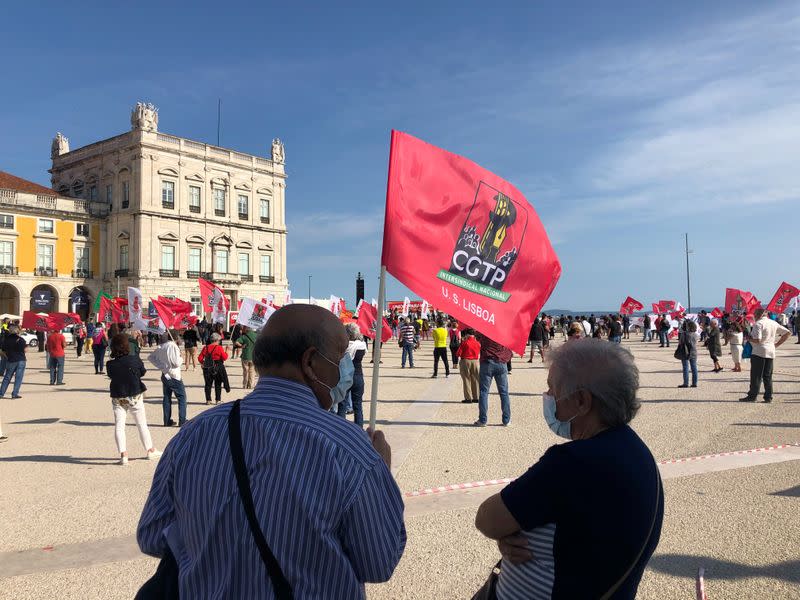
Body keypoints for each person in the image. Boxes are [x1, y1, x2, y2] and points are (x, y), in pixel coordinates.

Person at [137, 304, 406, 597]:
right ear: (310, 362)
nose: (346, 370)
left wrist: (214, 533)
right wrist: (382, 473)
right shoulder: (349, 448)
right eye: (341, 359)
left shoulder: (194, 433)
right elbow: (379, 563)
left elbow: (152, 535)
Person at [474, 339, 663, 599]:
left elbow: (487, 519)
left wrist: (507, 533)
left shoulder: (571, 463)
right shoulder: (638, 451)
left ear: (582, 401)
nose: (548, 398)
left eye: (553, 389)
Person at [106, 334, 162, 465]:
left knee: (119, 425)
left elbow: (110, 375)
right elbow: (142, 372)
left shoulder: (110, 364)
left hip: (118, 395)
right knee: (141, 423)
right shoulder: (134, 360)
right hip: (134, 394)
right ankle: (150, 450)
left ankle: (123, 455)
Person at [739, 308, 791, 403]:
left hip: (759, 351)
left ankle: (752, 396)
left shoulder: (758, 324)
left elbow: (758, 340)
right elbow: (787, 333)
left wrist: (749, 339)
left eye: (754, 314)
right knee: (767, 376)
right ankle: (768, 397)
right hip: (770, 350)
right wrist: (776, 344)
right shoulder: (773, 322)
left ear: (758, 315)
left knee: (756, 375)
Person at [473, 333, 512, 427]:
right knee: (504, 393)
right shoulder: (503, 332)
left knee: (484, 392)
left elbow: (477, 338)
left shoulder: (484, 330)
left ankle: (483, 420)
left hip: (487, 362)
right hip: (500, 362)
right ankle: (506, 420)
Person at [149, 333, 187, 426]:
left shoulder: (161, 346)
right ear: (176, 337)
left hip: (165, 374)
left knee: (167, 397)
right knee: (182, 398)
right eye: (179, 337)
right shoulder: (173, 346)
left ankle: (166, 421)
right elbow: (176, 363)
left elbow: (151, 357)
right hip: (174, 375)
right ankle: (182, 421)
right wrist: (181, 358)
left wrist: (162, 366)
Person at [338, 323, 367, 426]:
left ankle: (340, 429)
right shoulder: (362, 345)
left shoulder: (344, 345)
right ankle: (359, 430)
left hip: (345, 375)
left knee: (342, 405)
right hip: (358, 376)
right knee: (358, 406)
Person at [199, 333, 230, 404]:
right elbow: (224, 358)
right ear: (216, 340)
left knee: (208, 384)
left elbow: (200, 357)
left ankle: (208, 400)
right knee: (218, 384)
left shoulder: (206, 347)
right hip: (218, 367)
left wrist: (203, 363)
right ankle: (217, 400)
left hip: (207, 367)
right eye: (219, 340)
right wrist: (227, 351)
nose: (219, 342)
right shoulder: (219, 347)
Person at [0, 325, 27, 399]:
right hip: (21, 360)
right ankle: (14, 394)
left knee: (7, 377)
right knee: (18, 378)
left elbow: (2, 351)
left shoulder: (6, 340)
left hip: (11, 359)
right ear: (17, 331)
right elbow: (25, 350)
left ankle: (1, 393)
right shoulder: (21, 339)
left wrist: (7, 356)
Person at [456, 329, 481, 403]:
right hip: (475, 361)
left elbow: (458, 354)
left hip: (465, 361)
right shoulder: (478, 343)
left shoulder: (465, 342)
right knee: (475, 379)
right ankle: (476, 397)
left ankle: (468, 398)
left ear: (467, 334)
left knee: (466, 379)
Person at [677, 320, 698, 388]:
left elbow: (680, 342)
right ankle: (694, 383)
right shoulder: (696, 335)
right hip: (694, 352)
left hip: (685, 351)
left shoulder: (684, 334)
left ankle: (686, 383)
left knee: (685, 368)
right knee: (694, 368)